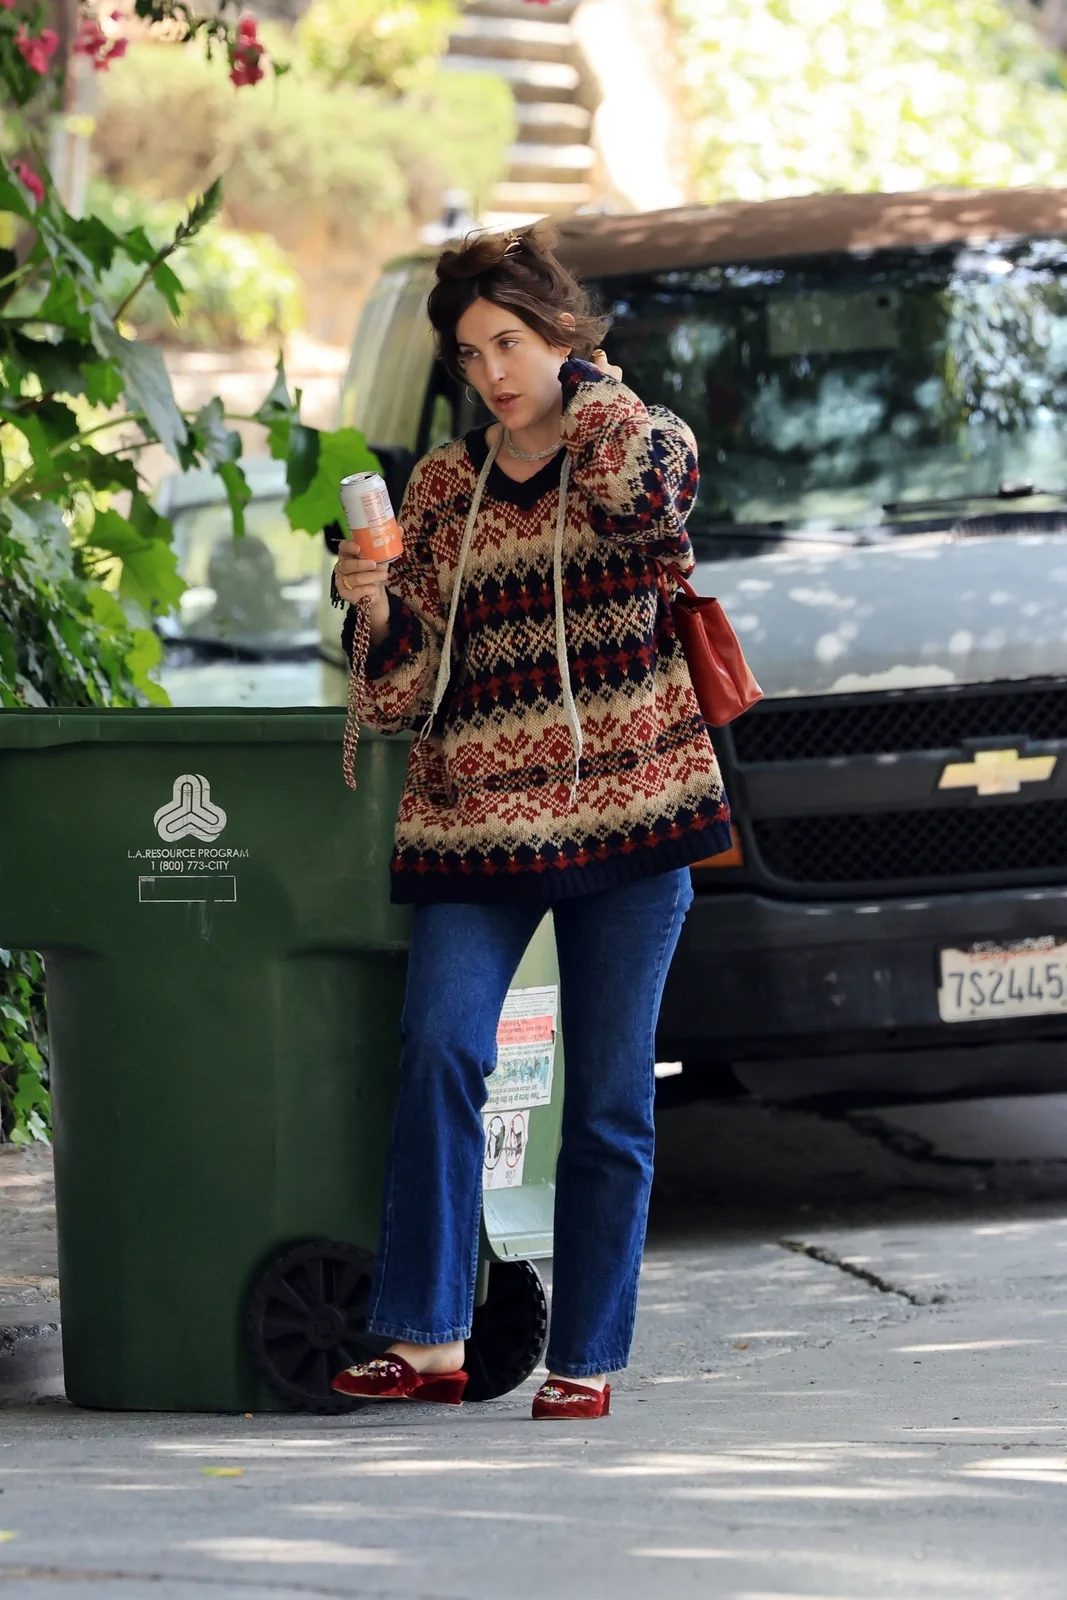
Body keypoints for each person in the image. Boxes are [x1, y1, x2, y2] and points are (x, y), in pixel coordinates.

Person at [329, 224, 732, 1421]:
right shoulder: (439, 488)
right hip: (472, 822)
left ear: (560, 333)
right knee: (440, 1049)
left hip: (633, 811)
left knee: (608, 1100)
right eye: (470, 353)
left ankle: (585, 1356)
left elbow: (641, 501)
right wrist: (372, 608)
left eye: (510, 341)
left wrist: (590, 388)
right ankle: (430, 1337)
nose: (492, 372)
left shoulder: (645, 440)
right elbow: (396, 697)